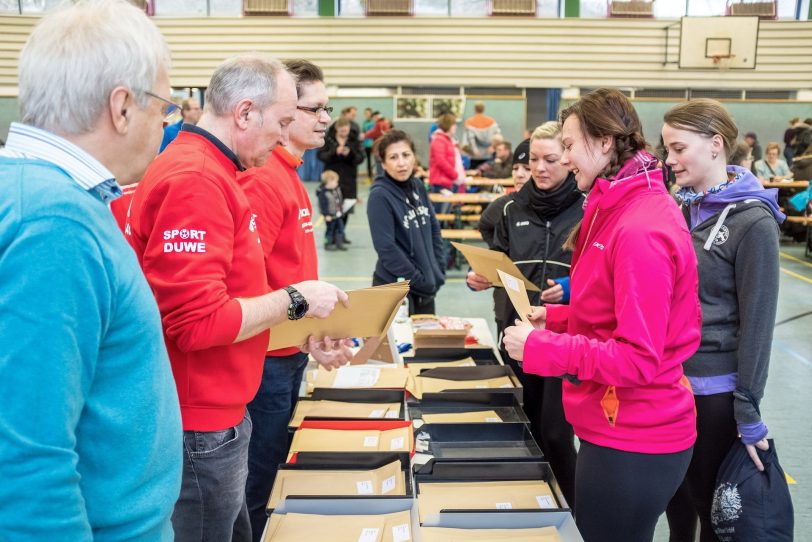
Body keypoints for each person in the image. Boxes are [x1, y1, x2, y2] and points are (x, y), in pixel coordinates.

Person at [125, 54, 349, 542]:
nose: (285, 135)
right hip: (198, 424)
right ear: (245, 113)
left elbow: (234, 293)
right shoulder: (196, 180)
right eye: (283, 121)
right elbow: (195, 322)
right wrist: (295, 300)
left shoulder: (217, 172)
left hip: (220, 412)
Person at [0, 1, 182, 540]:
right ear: (122, 107)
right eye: (164, 110)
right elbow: (28, 457)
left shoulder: (33, 194)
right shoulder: (57, 225)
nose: (164, 127)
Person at [503, 88, 701, 542]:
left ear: (606, 141)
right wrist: (555, 320)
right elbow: (609, 311)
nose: (566, 158)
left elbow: (638, 357)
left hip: (636, 433)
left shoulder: (638, 227)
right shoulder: (616, 205)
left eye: (570, 146)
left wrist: (543, 348)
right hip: (614, 422)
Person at [236, 59, 353, 541]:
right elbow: (249, 284)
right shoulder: (264, 180)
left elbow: (290, 279)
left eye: (327, 108)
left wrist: (310, 337)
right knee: (256, 484)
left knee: (269, 474)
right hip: (263, 362)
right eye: (314, 109)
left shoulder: (291, 176)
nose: (325, 118)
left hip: (285, 354)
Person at [662, 98, 784, 542]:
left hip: (714, 392)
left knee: (710, 506)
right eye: (667, 150)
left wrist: (747, 406)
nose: (670, 160)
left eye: (678, 148)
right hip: (668, 381)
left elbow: (758, 323)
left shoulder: (753, 221)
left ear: (715, 145)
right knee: (675, 498)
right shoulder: (680, 209)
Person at [467, 122, 582, 508]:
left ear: (568, 160)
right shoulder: (509, 208)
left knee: (554, 432)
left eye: (550, 159)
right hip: (515, 332)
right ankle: (528, 507)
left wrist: (569, 291)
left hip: (564, 338)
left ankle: (570, 509)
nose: (540, 168)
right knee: (520, 424)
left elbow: (603, 277)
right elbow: (498, 260)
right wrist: (482, 277)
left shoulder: (587, 207)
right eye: (534, 159)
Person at [368, 130, 445, 314]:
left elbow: (434, 228)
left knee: (424, 342)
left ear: (414, 158)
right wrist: (419, 279)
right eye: (393, 157)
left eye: (406, 155)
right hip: (395, 289)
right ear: (384, 164)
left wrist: (438, 270)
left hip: (425, 289)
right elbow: (386, 247)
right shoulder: (379, 196)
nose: (401, 163)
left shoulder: (418, 185)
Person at [318, 117, 364, 233]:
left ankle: (341, 235)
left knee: (346, 208)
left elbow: (360, 158)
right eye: (342, 131)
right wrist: (334, 152)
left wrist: (350, 153)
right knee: (330, 208)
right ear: (337, 128)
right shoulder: (328, 139)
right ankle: (330, 235)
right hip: (331, 180)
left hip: (349, 178)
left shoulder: (354, 140)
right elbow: (320, 156)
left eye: (346, 131)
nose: (344, 133)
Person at [429, 112, 465, 213]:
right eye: (454, 124)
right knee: (439, 214)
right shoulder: (439, 140)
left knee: (445, 213)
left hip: (448, 182)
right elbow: (440, 161)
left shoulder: (448, 140)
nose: (456, 127)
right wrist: (455, 175)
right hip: (441, 183)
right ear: (448, 125)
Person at [462, 101, 501, 168]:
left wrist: (475, 150)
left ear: (475, 109)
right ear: (483, 109)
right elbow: (498, 136)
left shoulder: (469, 122)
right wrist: (493, 147)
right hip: (489, 154)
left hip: (475, 156)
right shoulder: (492, 121)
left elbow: (470, 138)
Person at [317, 169, 346, 250]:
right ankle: (327, 244)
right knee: (330, 230)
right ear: (329, 182)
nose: (337, 183)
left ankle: (339, 244)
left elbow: (339, 201)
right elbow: (323, 206)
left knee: (340, 229)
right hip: (330, 216)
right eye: (335, 182)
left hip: (338, 215)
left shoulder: (336, 190)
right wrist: (326, 215)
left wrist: (341, 210)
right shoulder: (324, 193)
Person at [362, 107, 376, 179]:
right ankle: (369, 177)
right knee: (368, 161)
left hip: (374, 144)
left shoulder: (374, 122)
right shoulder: (364, 123)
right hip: (366, 145)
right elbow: (363, 133)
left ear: (371, 113)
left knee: (376, 161)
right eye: (365, 113)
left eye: (368, 113)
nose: (367, 114)